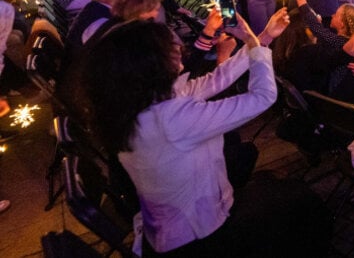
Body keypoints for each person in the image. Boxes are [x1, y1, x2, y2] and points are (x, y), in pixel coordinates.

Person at [79, 13, 331, 256]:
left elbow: (215, 79)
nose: (180, 49)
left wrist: (262, 37)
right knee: (303, 203)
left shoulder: (134, 104)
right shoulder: (170, 119)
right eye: (169, 48)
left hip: (170, 229)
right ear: (147, 64)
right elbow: (262, 96)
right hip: (200, 236)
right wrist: (252, 42)